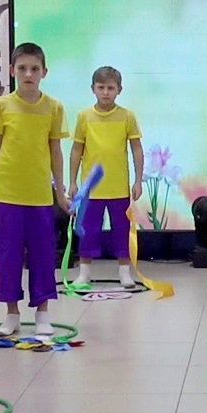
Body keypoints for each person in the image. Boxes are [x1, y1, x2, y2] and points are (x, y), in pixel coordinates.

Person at [0, 42, 69, 337]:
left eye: (34, 69)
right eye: (22, 68)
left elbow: (55, 151)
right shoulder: (2, 105)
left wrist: (60, 193)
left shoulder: (54, 107)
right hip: (8, 193)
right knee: (8, 254)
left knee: (43, 253)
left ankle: (42, 313)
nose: (28, 74)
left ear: (44, 72)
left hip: (39, 195)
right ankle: (11, 314)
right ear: (12, 70)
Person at [68, 66, 142, 289]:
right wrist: (72, 182)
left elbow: (136, 149)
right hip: (91, 189)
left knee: (121, 230)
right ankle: (84, 273)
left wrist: (138, 181)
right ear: (93, 89)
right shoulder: (84, 116)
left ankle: (124, 272)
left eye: (110, 88)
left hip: (118, 187)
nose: (106, 92)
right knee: (88, 230)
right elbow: (76, 150)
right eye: (101, 87)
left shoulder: (127, 116)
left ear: (119, 90)